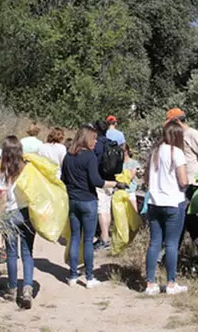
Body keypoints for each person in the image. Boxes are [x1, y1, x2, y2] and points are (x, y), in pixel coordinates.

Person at [61, 125, 124, 288]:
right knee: (88, 240)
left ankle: (72, 276)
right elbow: (96, 181)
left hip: (73, 201)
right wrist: (115, 184)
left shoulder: (68, 156)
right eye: (94, 139)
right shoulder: (89, 157)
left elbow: (63, 179)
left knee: (75, 237)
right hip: (88, 200)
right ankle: (89, 277)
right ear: (87, 139)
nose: (96, 142)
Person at [164, 108, 198, 262]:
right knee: (188, 219)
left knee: (180, 217)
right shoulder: (176, 136)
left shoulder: (192, 134)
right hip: (179, 183)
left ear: (177, 121)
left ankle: (168, 256)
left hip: (191, 184)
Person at [144, 121, 189, 296]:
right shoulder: (177, 152)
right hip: (173, 201)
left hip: (154, 202)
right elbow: (183, 180)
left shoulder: (155, 152)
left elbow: (148, 178)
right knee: (171, 243)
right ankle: (171, 283)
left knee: (154, 242)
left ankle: (150, 283)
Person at [0, 136, 35, 309]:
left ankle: (12, 289)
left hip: (10, 214)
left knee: (11, 254)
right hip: (26, 214)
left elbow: (3, 197)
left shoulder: (4, 171)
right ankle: (27, 289)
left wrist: (0, 218)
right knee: (27, 253)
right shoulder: (28, 169)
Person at [92, 120, 115, 251]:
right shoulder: (111, 143)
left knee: (101, 209)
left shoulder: (97, 145)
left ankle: (104, 237)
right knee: (106, 208)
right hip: (111, 179)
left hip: (100, 180)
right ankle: (106, 236)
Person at [122, 144, 141, 212]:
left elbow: (131, 176)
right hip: (120, 191)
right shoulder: (118, 163)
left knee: (134, 212)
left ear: (126, 151)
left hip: (130, 190)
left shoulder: (133, 163)